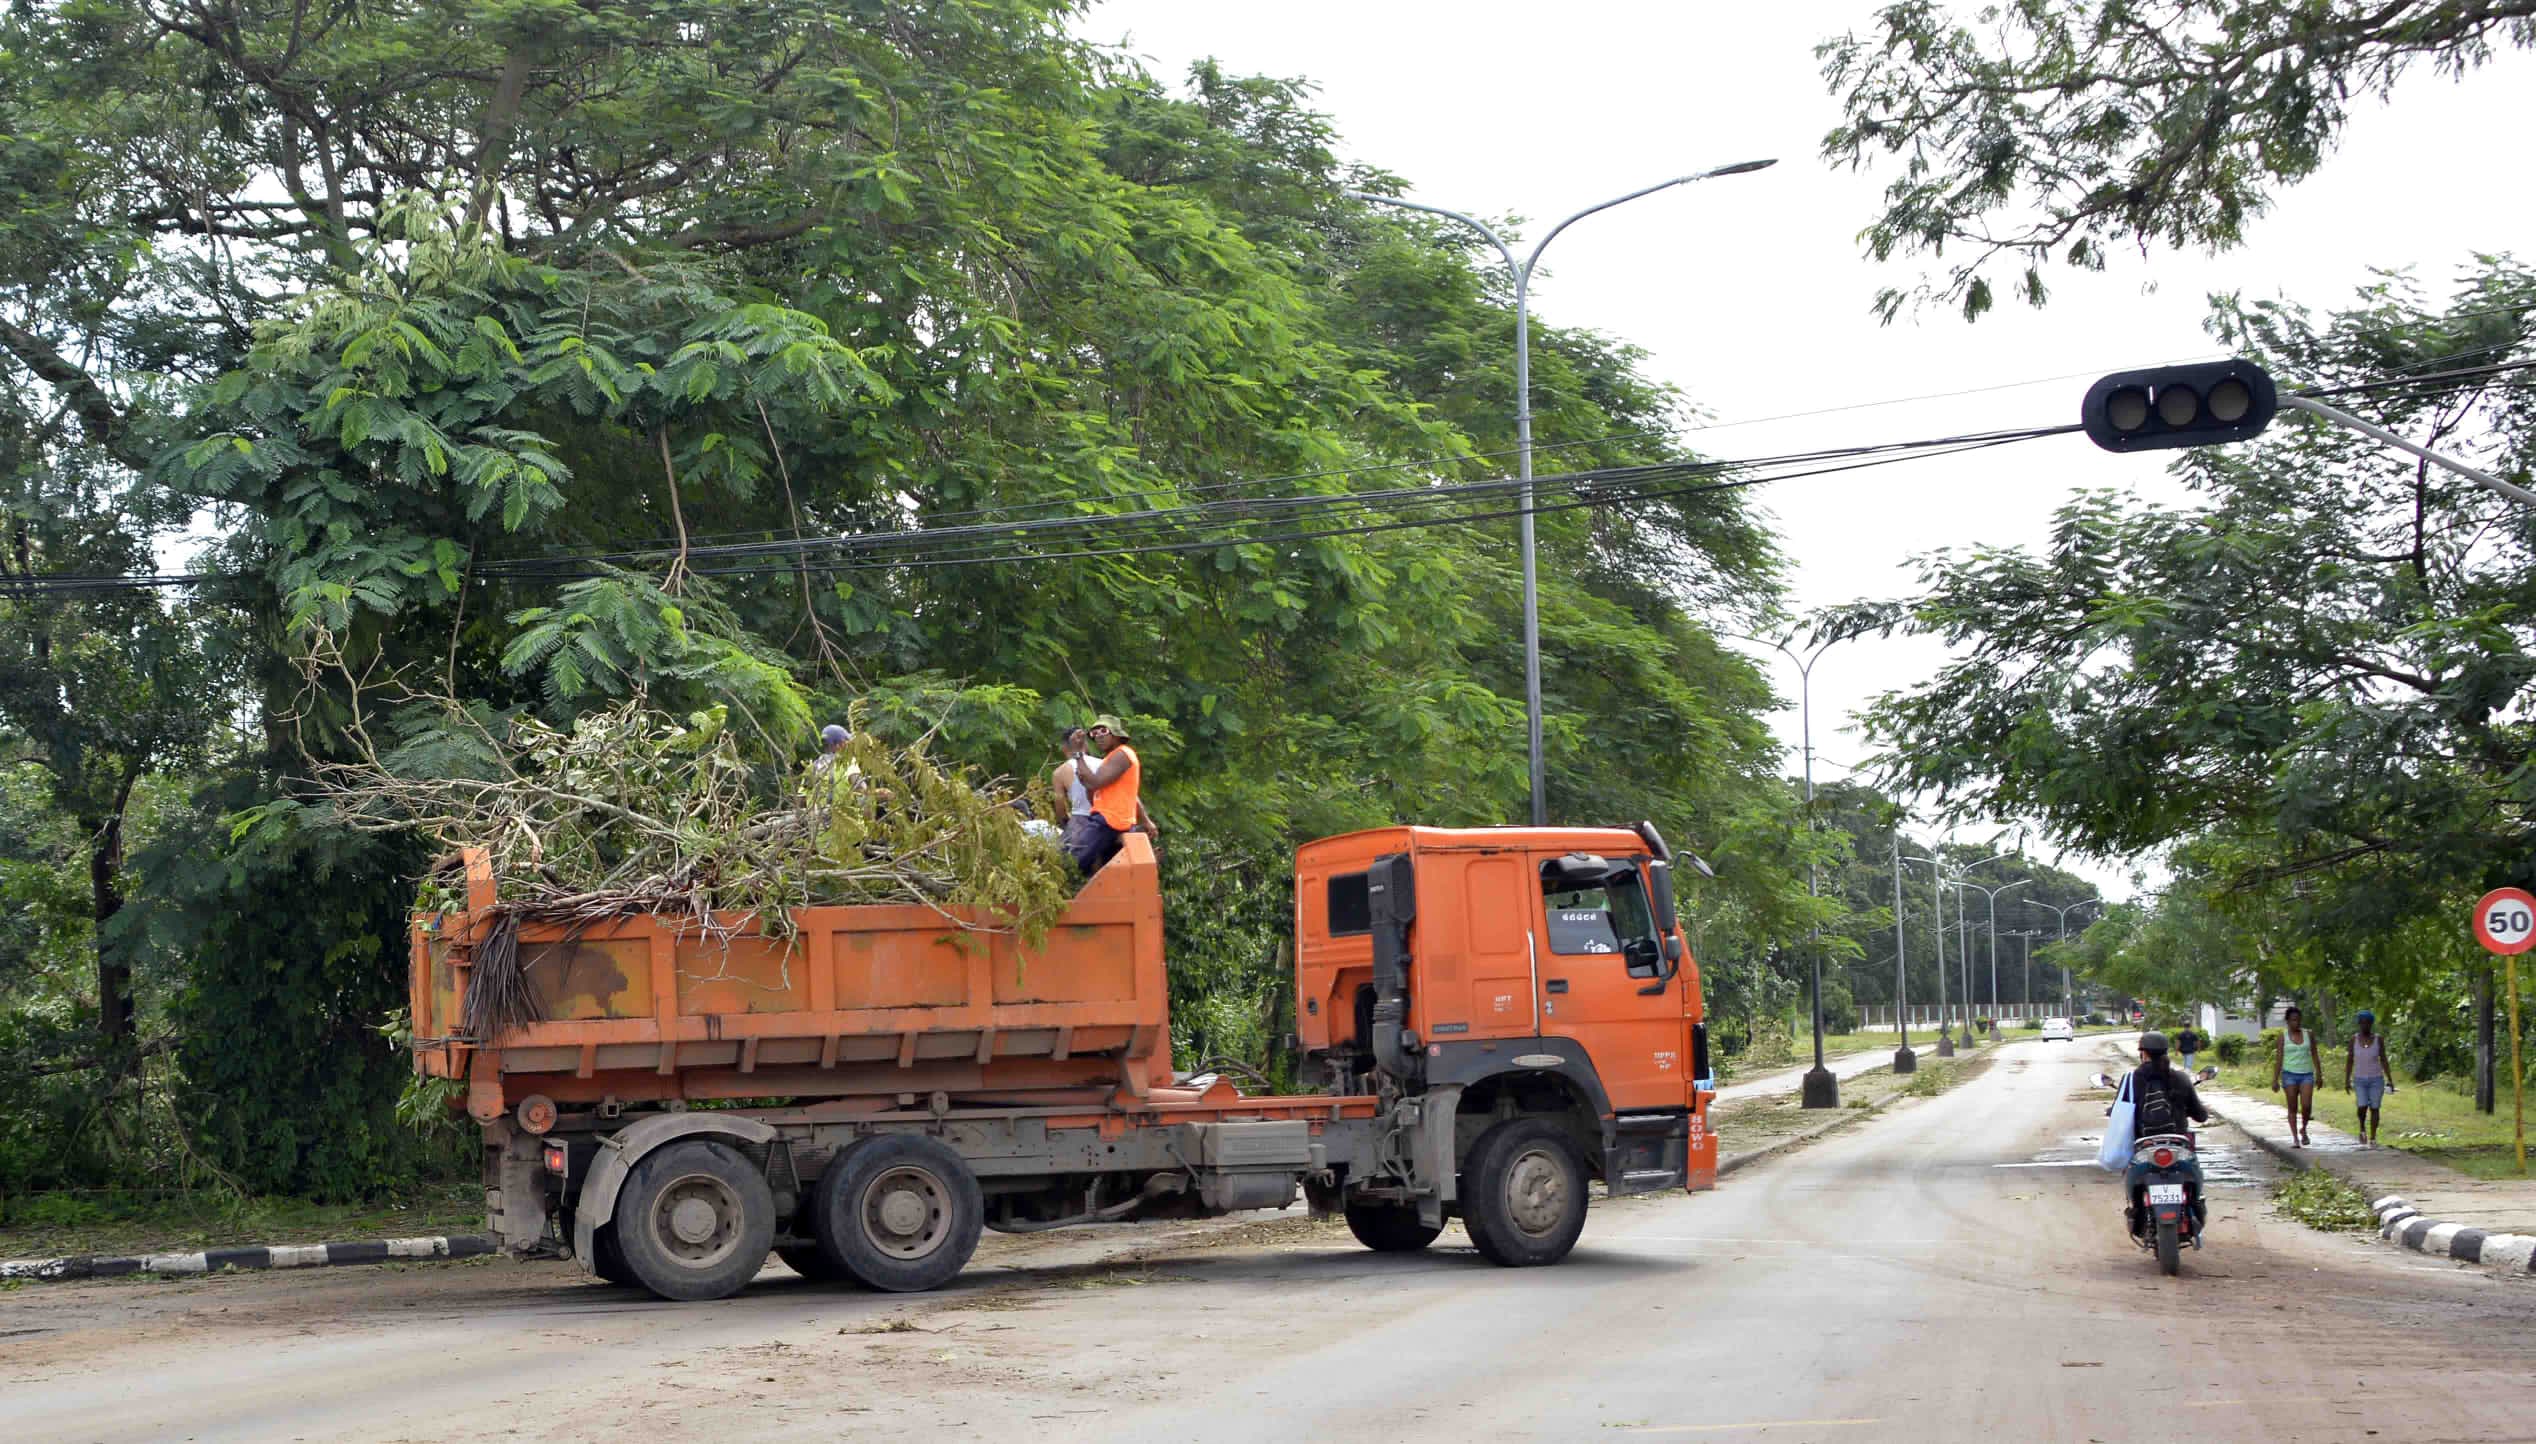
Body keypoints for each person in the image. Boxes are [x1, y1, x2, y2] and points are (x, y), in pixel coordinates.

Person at [2122, 1031, 2211, 1236]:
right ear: (2165, 1052)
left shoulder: (2131, 1081)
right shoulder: (2181, 1079)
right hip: (2178, 1146)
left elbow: (2120, 1113)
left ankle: (2138, 1212)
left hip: (2144, 1148)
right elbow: (2200, 1115)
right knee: (2195, 1181)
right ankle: (2194, 1207)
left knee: (2132, 1182)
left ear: (2143, 1053)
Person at [1063, 714, 1153, 876]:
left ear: (1116, 734)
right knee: (1104, 873)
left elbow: (1094, 782)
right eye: (1094, 734)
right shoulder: (1110, 759)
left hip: (1109, 820)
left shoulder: (1122, 754)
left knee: (1071, 863)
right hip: (1109, 819)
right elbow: (1093, 789)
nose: (1098, 737)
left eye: (1103, 731)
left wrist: (1078, 754)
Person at [2271, 1004, 2322, 1147]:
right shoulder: (2283, 1036)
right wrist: (2275, 1079)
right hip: (2289, 1075)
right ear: (2287, 1021)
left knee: (2306, 1106)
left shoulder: (2308, 1034)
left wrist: (2319, 1074)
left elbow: (2314, 1054)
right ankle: (2295, 1138)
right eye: (2293, 1020)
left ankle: (2304, 1129)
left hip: (2306, 1074)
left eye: (2298, 1020)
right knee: (2292, 1107)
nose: (2296, 1023)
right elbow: (2279, 1058)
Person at [2345, 1009, 2395, 1146]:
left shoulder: (2378, 1039)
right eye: (2362, 1023)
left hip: (2376, 1079)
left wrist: (2390, 1079)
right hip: (2359, 1079)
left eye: (2368, 1023)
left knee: (2375, 1107)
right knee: (2362, 1106)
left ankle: (2373, 1137)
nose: (2365, 1025)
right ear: (2359, 1024)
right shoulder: (2353, 1040)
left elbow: (2384, 1059)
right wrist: (2346, 1080)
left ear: (2371, 1024)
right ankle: (2362, 1128)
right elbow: (2349, 1060)